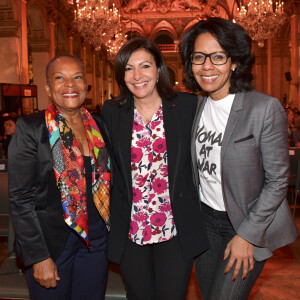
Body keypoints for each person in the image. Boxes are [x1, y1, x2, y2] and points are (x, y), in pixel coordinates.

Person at [179, 17, 298, 300]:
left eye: (218, 57)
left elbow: (278, 180)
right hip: (204, 223)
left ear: (234, 62)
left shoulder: (264, 108)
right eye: (199, 57)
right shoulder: (194, 106)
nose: (207, 66)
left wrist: (247, 235)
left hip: (246, 222)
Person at [101, 37, 209, 300]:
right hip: (131, 229)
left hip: (175, 229)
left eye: (145, 66)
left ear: (158, 68)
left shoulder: (187, 105)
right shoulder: (112, 111)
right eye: (128, 68)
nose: (137, 75)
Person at [8, 55, 111, 300]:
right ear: (47, 88)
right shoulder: (30, 127)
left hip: (96, 239)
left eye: (76, 77)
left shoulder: (98, 124)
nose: (70, 84)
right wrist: (38, 256)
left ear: (86, 84)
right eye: (59, 78)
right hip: (52, 242)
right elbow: (20, 198)